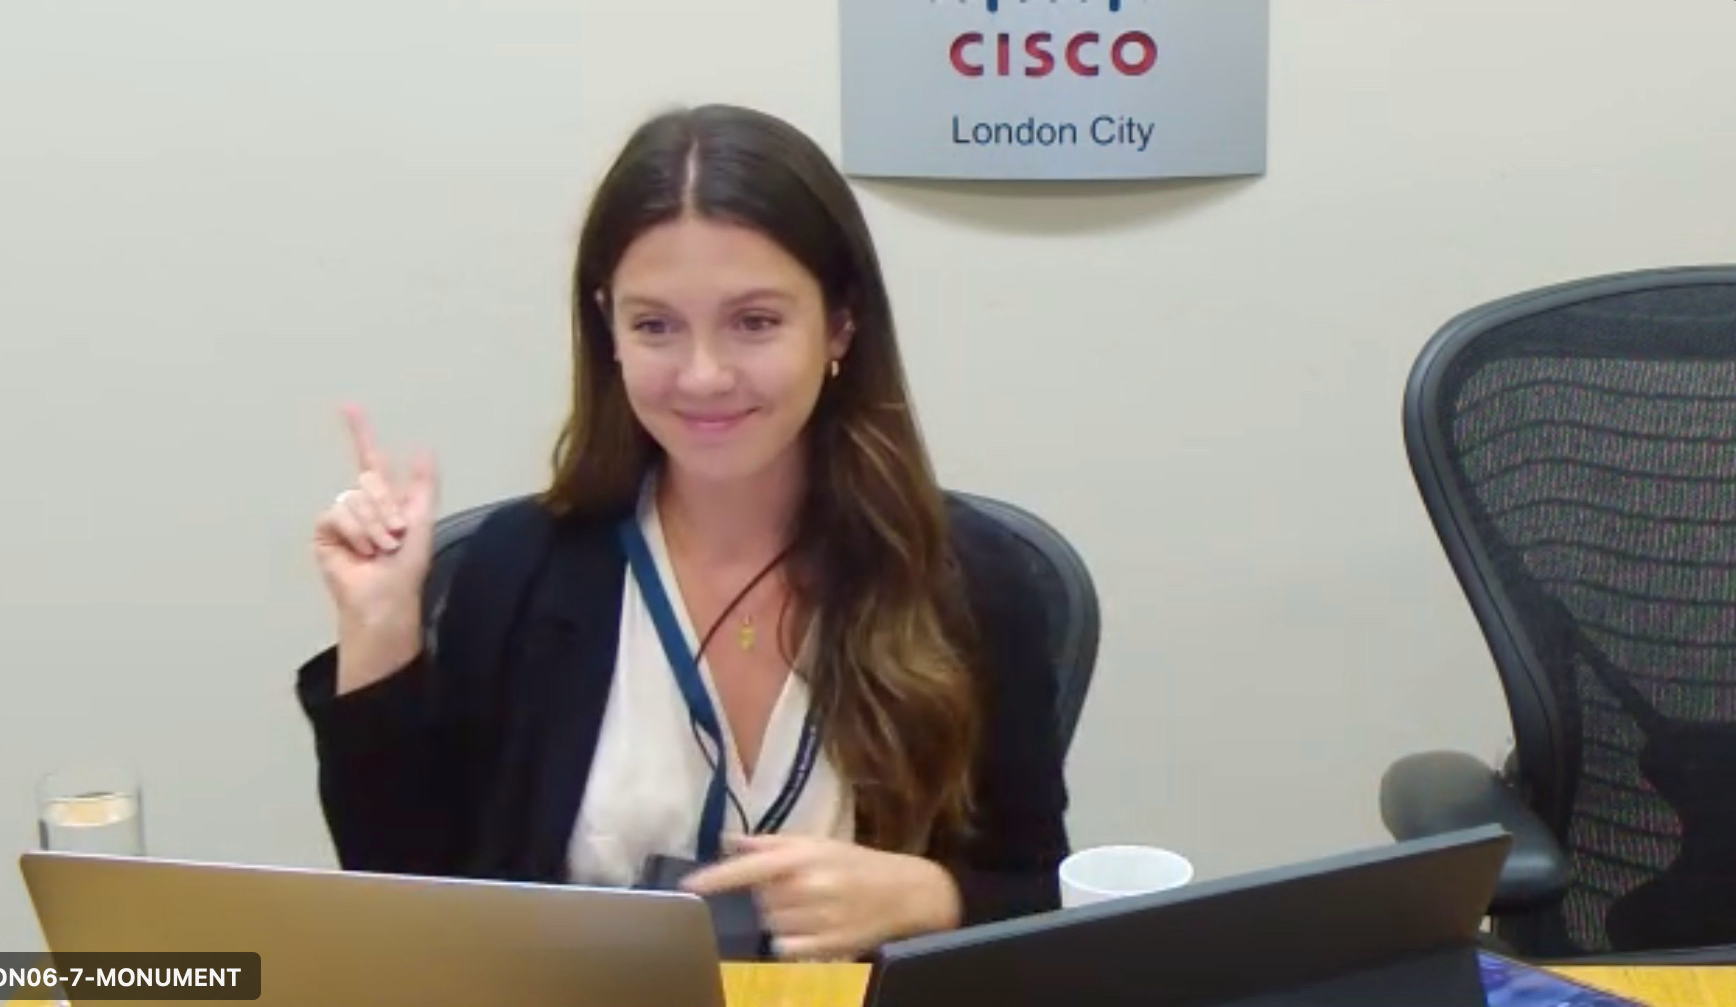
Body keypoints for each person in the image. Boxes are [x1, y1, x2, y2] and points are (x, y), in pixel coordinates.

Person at [294, 103, 1069, 962]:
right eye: (655, 325)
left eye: (755, 322)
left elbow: (1039, 894)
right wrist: (378, 628)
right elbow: (411, 901)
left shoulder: (968, 579)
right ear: (609, 330)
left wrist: (934, 895)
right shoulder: (519, 569)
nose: (703, 375)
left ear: (841, 323)